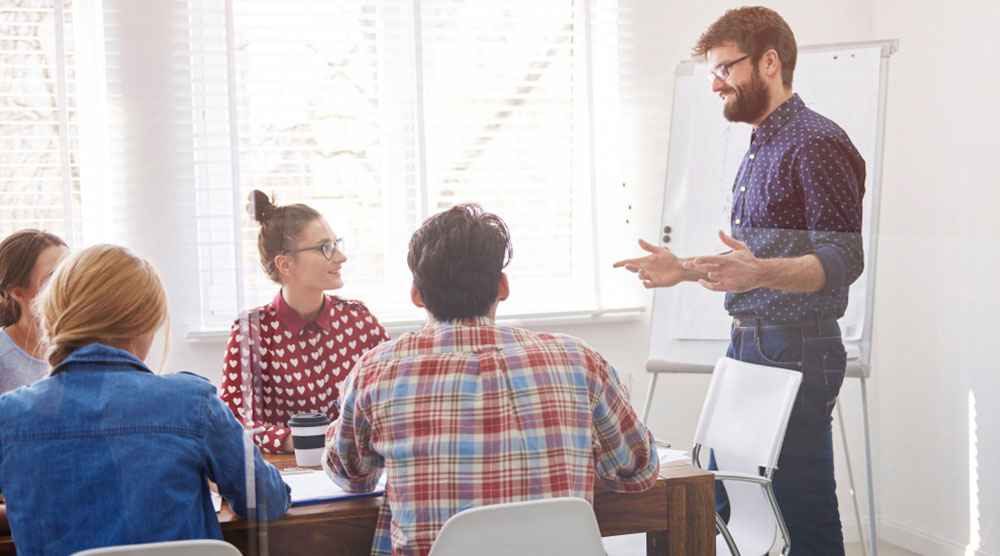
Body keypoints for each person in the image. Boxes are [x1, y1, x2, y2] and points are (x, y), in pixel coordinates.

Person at [614, 7, 864, 555]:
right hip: (750, 339)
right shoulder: (760, 143)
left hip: (797, 344)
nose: (714, 83)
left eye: (726, 68)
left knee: (804, 513)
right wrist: (683, 271)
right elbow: (754, 260)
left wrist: (759, 272)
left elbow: (842, 258)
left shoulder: (816, 141)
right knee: (724, 501)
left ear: (769, 62)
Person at [324, 204, 659, 556]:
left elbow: (351, 475)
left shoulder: (378, 369)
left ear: (416, 294)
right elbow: (636, 471)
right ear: (502, 286)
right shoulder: (579, 359)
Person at [0, 244, 290, 555]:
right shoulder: (193, 402)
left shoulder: (9, 416)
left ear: (55, 316)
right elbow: (268, 501)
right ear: (147, 321)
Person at [221, 191, 389, 453]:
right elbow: (230, 423)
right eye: (326, 248)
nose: (341, 257)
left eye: (336, 243)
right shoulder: (251, 332)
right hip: (284, 475)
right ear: (285, 264)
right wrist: (299, 441)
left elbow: (394, 398)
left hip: (356, 471)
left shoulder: (360, 321)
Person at [0, 230, 68, 394]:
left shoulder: (88, 347)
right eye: (54, 276)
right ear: (18, 292)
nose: (69, 284)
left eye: (70, 271)